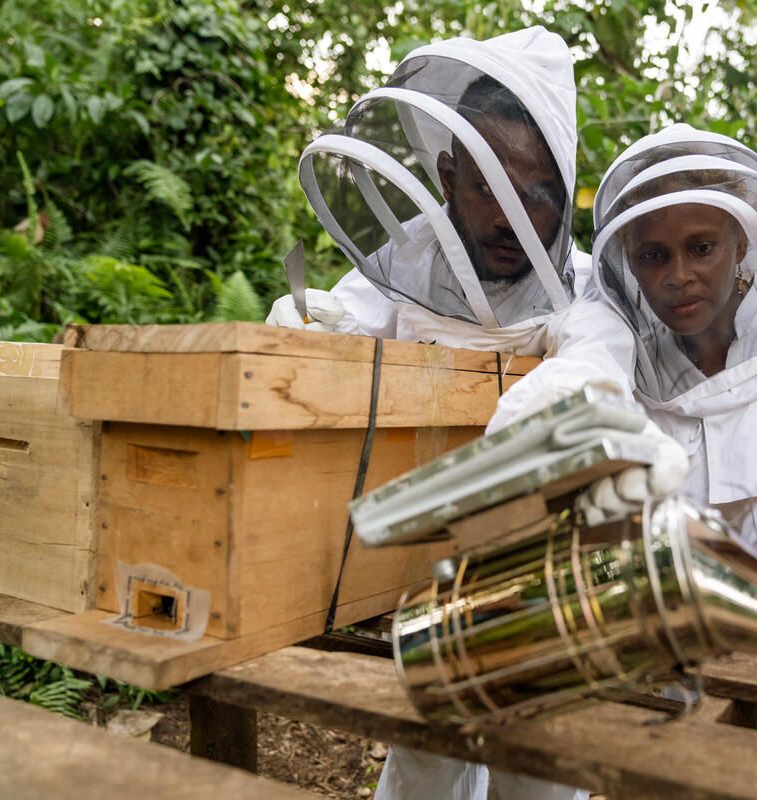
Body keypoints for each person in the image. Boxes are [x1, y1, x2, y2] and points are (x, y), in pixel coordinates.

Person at [265, 27, 684, 800]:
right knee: (426, 747)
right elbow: (333, 338)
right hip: (408, 570)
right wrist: (300, 336)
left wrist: (526, 428)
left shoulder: (585, 289)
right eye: (489, 185)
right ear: (449, 173)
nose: (507, 215)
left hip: (547, 568)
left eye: (534, 192)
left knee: (539, 750)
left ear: (563, 198)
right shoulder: (407, 264)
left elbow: (595, 367)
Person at [492, 124, 757, 735]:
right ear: (629, 261)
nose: (678, 275)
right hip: (699, 717)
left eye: (701, 247)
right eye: (653, 255)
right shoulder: (624, 355)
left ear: (741, 238)